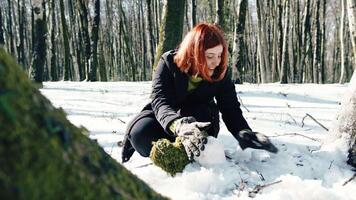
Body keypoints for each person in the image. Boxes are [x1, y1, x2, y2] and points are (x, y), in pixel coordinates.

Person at [121, 23, 278, 163]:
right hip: (169, 118)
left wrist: (245, 133)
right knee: (140, 134)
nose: (216, 62)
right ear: (193, 52)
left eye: (220, 55)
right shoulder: (168, 62)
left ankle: (181, 157)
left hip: (201, 117)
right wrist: (179, 126)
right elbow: (160, 101)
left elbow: (230, 109)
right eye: (210, 56)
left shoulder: (220, 71)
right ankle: (172, 152)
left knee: (198, 131)